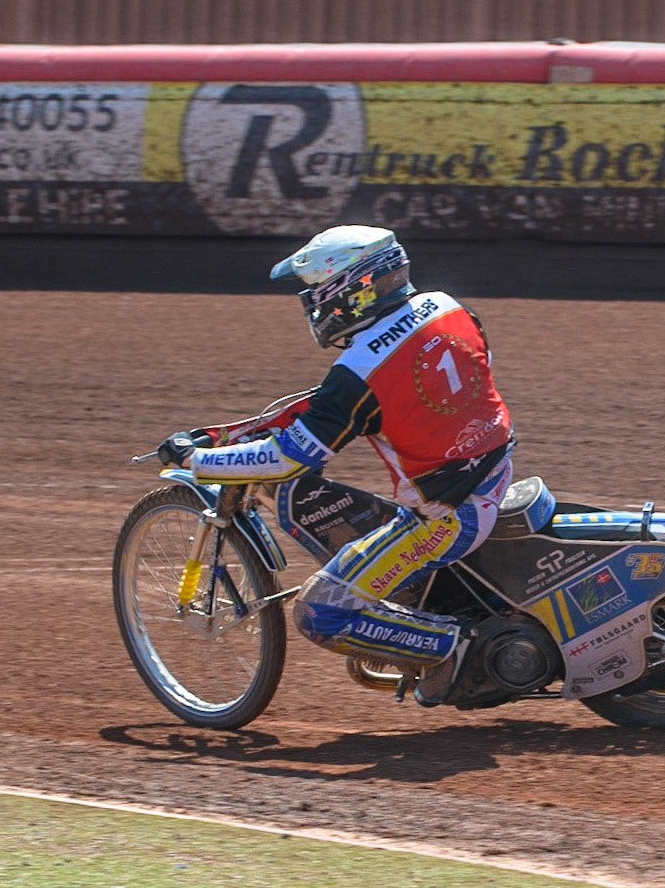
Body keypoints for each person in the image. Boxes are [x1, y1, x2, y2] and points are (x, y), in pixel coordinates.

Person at [155, 225, 514, 706]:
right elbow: (345, 406)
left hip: (445, 516)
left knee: (319, 612)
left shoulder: (358, 370)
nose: (311, 304)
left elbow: (287, 460)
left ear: (348, 290)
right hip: (492, 469)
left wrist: (201, 460)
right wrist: (229, 434)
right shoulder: (449, 308)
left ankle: (448, 648)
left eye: (313, 292)